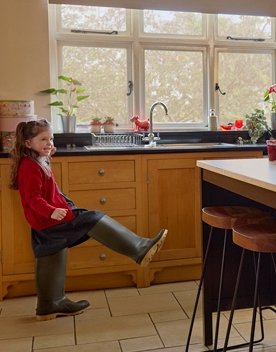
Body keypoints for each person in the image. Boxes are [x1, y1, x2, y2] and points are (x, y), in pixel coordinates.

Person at [9, 119, 167, 321]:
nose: (49, 142)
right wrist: (50, 211)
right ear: (28, 143)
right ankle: (139, 248)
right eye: (43, 139)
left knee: (50, 249)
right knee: (93, 218)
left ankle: (50, 303)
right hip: (50, 218)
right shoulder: (30, 166)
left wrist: (46, 156)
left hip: (47, 219)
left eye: (51, 138)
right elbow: (32, 198)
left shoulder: (36, 160)